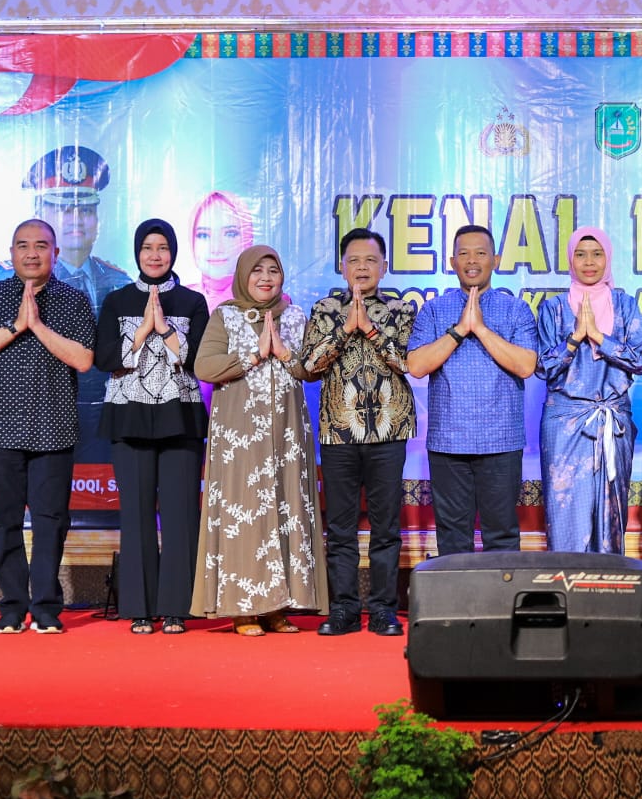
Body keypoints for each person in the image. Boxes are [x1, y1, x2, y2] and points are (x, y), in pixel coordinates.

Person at [0, 219, 95, 634]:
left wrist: (38, 326)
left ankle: (47, 607)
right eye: (23, 245)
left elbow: (84, 359)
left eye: (41, 245)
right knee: (4, 520)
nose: (31, 253)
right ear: (12, 253)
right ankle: (13, 606)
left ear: (55, 253)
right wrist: (16, 326)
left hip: (53, 427)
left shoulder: (73, 300)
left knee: (51, 520)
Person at [190, 246, 327, 636]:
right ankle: (244, 607)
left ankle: (277, 607)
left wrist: (283, 352)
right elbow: (204, 366)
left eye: (273, 270)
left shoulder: (295, 316)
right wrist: (253, 354)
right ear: (243, 276)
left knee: (285, 510)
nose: (266, 278)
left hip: (287, 435)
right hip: (240, 436)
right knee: (244, 514)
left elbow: (312, 368)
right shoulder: (226, 315)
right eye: (257, 271)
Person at [95, 219, 211, 636]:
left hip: (180, 418)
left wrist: (165, 330)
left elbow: (200, 361)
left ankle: (177, 606)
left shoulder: (193, 301)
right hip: (128, 418)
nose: (155, 255)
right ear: (137, 252)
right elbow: (104, 358)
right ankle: (140, 607)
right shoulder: (116, 300)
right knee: (137, 516)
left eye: (163, 247)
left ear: (173, 252)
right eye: (148, 247)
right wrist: (142, 332)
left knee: (181, 516)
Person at [302, 229, 417, 637]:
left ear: (385, 266)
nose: (362, 267)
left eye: (371, 260)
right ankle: (344, 610)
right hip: (339, 433)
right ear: (341, 266)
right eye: (354, 260)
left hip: (389, 431)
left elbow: (409, 362)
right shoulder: (324, 309)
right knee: (341, 529)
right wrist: (344, 330)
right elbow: (309, 366)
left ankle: (383, 609)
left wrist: (368, 329)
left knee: (386, 528)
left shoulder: (401, 309)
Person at [0, 146, 130, 470]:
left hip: (102, 423)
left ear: (98, 219)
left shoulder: (118, 281)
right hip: (32, 417)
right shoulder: (6, 280)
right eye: (63, 208)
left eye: (86, 210)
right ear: (42, 212)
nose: (76, 219)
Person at [406, 225, 538, 556]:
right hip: (448, 442)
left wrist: (479, 328)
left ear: (496, 260)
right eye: (463, 253)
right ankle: (456, 594)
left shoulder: (515, 309)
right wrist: (459, 330)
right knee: (452, 539)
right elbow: (416, 365)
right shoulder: (434, 310)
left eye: (480, 253)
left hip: (501, 440)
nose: (472, 260)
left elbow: (526, 365)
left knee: (502, 536)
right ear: (452, 261)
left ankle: (502, 593)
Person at [536, 227, 642, 554]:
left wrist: (599, 336)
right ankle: (568, 583)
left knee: (611, 515)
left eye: (597, 254)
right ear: (570, 260)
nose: (589, 262)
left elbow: (641, 359)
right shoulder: (553, 308)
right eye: (581, 254)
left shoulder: (625, 305)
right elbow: (542, 366)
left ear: (608, 258)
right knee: (565, 513)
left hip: (613, 423)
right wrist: (574, 338)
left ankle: (608, 583)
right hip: (564, 423)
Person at [189, 190, 256, 313]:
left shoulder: (269, 302)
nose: (216, 249)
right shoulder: (178, 299)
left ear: (247, 238)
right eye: (203, 235)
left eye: (230, 234)